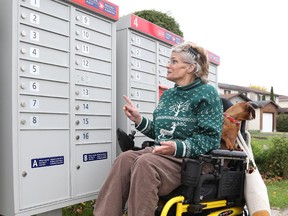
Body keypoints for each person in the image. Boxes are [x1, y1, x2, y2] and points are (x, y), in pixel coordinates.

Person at [93, 41, 223, 216]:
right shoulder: (169, 95)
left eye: (174, 61)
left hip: (192, 160)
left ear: (191, 68)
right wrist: (138, 119)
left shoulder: (207, 93)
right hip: (161, 154)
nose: (168, 66)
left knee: (145, 163)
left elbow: (211, 138)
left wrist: (177, 147)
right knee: (124, 159)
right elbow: (159, 133)